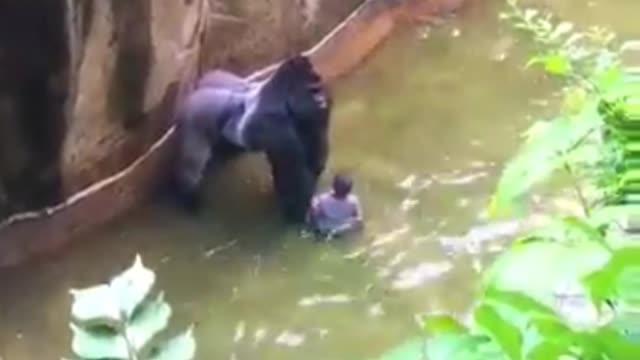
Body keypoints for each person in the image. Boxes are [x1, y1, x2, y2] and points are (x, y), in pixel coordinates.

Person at [307, 173, 363, 239]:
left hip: (323, 226)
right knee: (357, 222)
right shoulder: (353, 200)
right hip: (342, 228)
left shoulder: (322, 199)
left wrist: (314, 205)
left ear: (333, 186)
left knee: (314, 211)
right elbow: (359, 218)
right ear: (349, 190)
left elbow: (314, 211)